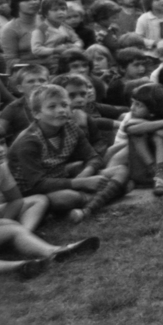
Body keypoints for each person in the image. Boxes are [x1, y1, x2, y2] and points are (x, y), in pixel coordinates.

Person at [0, 122, 97, 279]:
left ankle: (23, 237)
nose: (0, 149)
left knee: (38, 200)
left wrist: (5, 221)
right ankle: (52, 251)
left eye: (2, 143)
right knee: (11, 228)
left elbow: (16, 200)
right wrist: (6, 225)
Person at [8, 83, 130, 223]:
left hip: (63, 176)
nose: (61, 110)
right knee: (67, 198)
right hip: (32, 191)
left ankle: (86, 209)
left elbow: (93, 157)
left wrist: (85, 175)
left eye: (64, 105)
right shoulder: (29, 141)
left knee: (121, 170)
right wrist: (80, 183)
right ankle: (110, 193)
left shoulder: (71, 127)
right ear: (36, 114)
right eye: (52, 107)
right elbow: (37, 183)